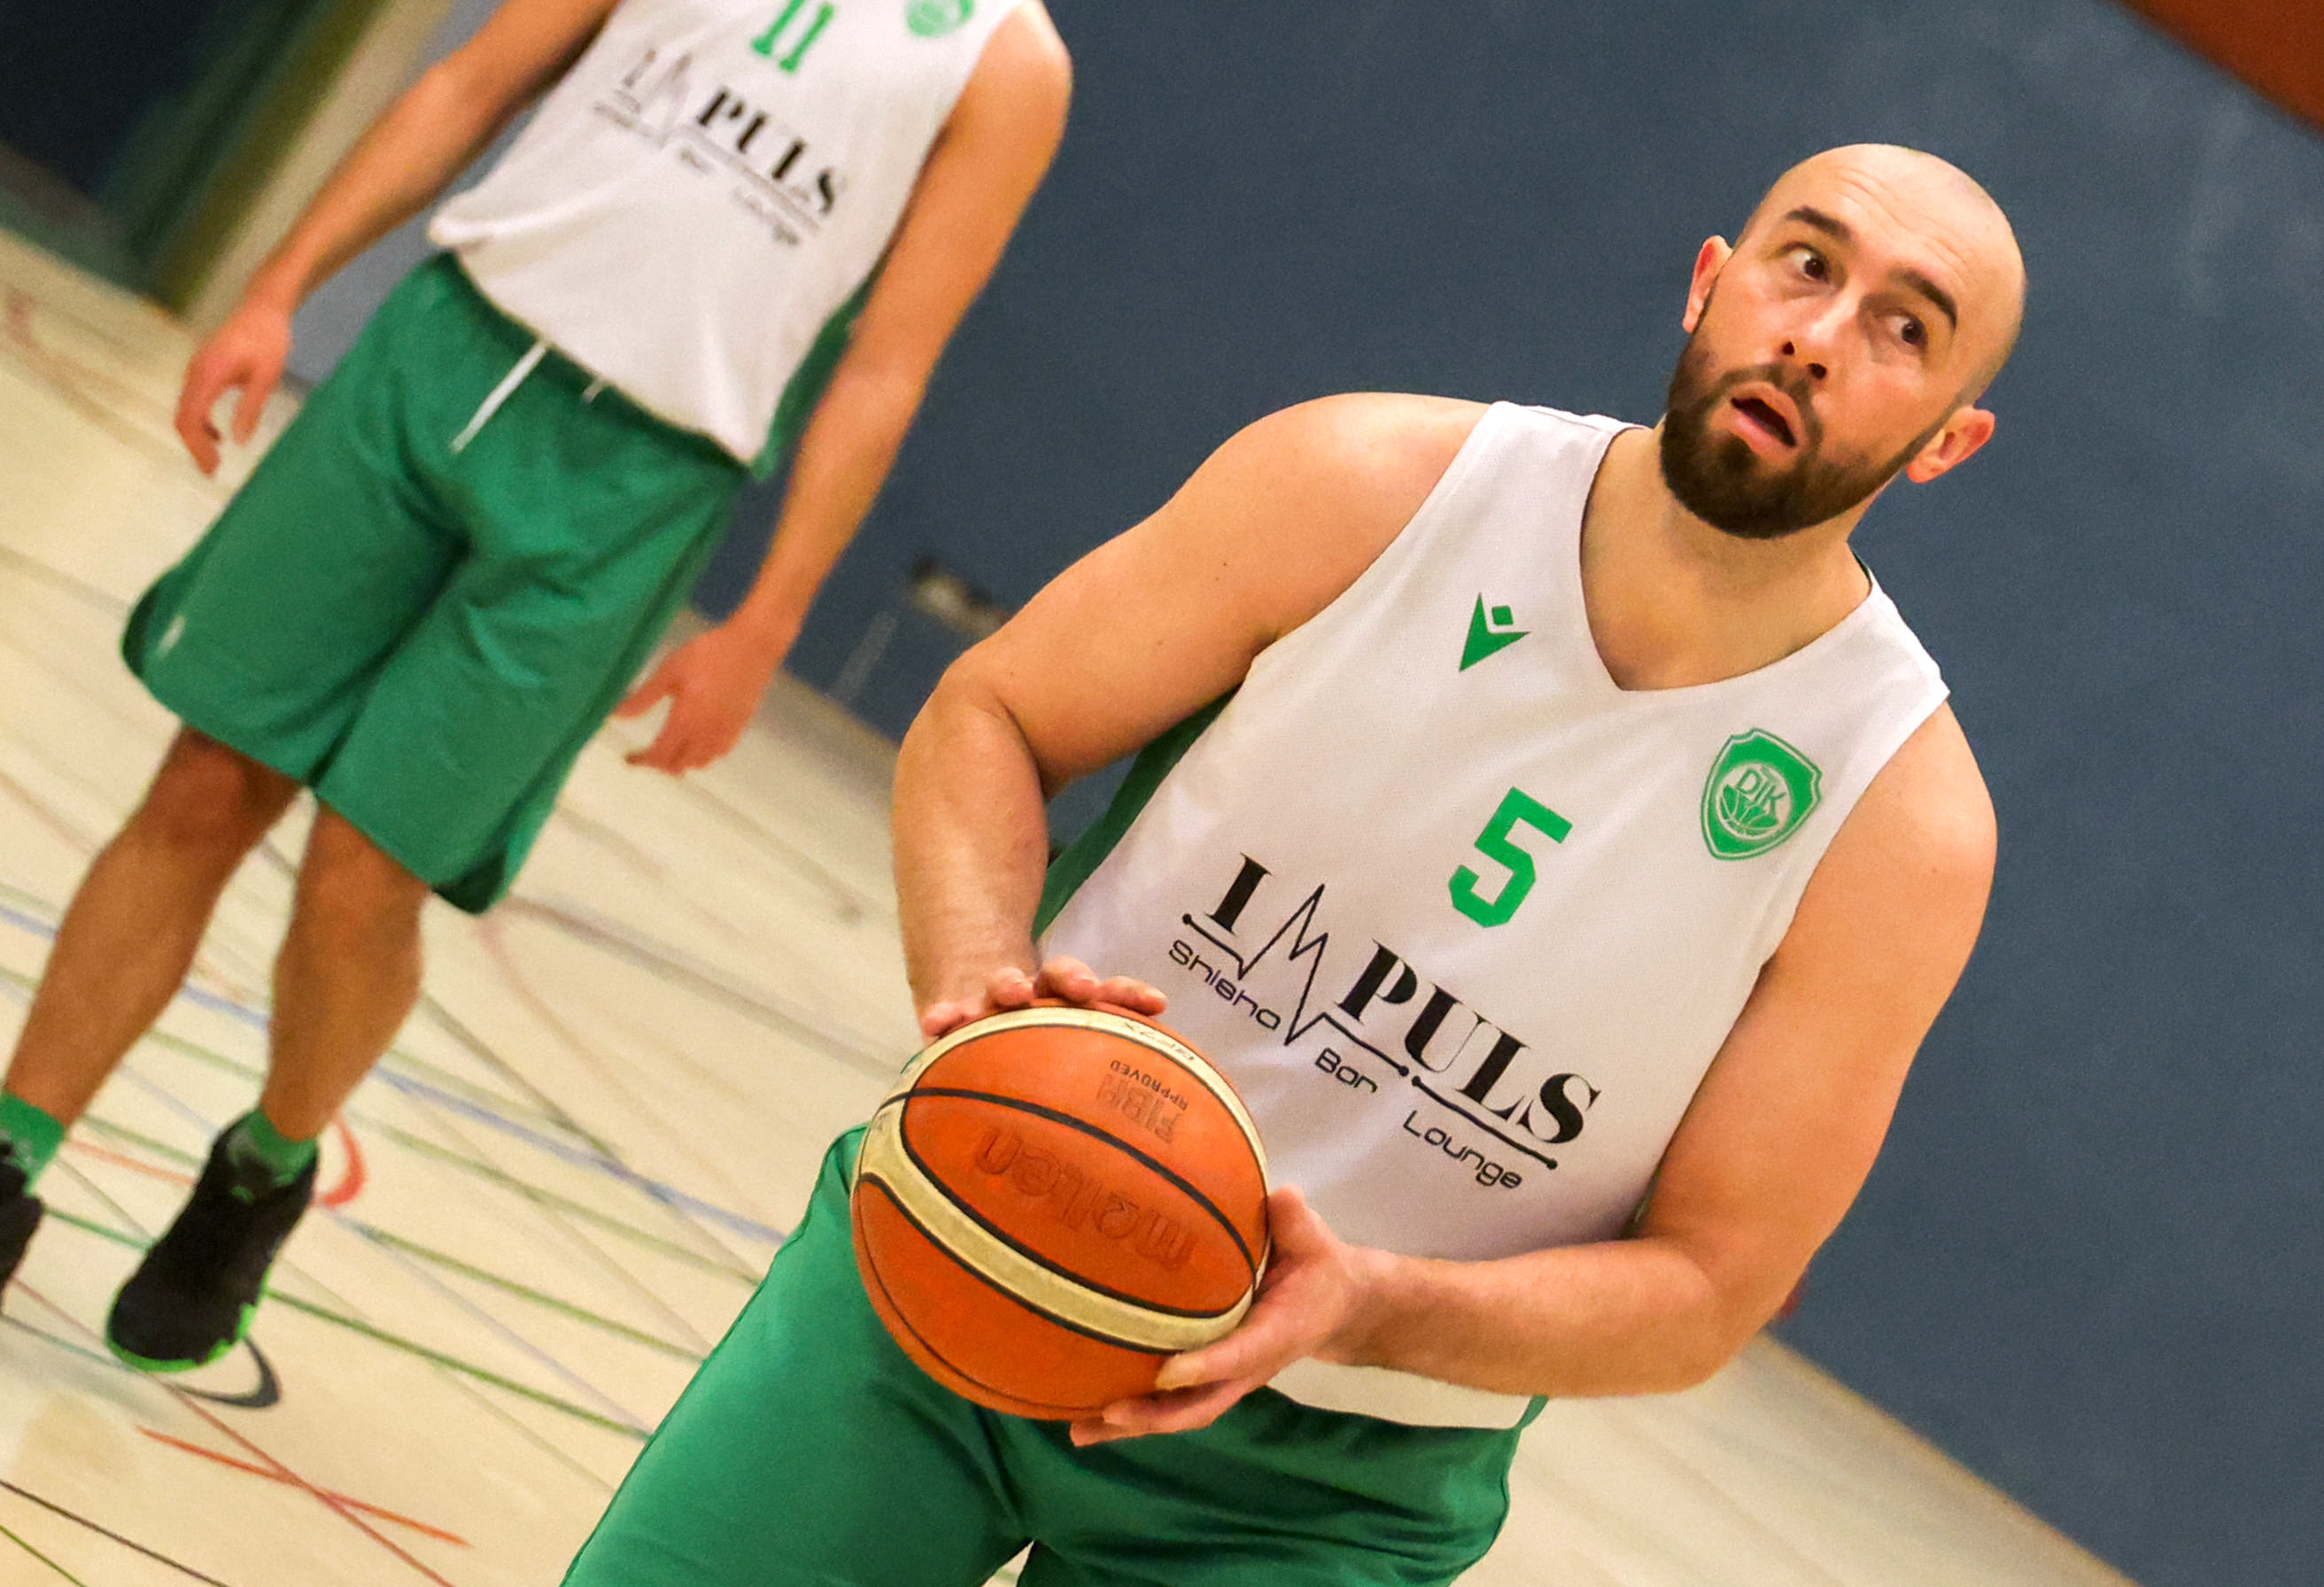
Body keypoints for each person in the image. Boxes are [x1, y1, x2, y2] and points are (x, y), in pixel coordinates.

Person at [560, 143, 2026, 1585]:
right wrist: (980, 997)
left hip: (1322, 1496)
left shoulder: (1896, 826)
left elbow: (1707, 1291)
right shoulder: (1366, 484)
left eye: (1904, 329)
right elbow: (994, 715)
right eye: (1805, 264)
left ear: (1947, 441)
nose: (1819, 337)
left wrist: (1366, 1305)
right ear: (1711, 282)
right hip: (973, 1239)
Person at [0, 0, 1071, 1373]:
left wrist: (765, 620)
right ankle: (14, 1149)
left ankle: (269, 1162)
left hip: (639, 482)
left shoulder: (1006, 65)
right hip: (439, 358)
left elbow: (885, 367)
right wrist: (276, 288)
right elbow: (467, 88)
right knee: (206, 782)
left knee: (362, 878)